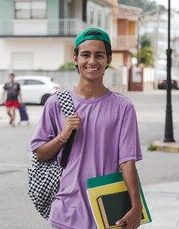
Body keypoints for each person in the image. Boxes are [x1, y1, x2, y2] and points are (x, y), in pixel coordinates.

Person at [31, 28, 143, 229]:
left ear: (108, 60)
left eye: (99, 55)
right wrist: (62, 136)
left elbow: (127, 162)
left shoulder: (123, 108)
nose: (92, 61)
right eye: (85, 55)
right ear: (75, 58)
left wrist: (137, 206)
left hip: (107, 213)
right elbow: (40, 154)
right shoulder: (55, 103)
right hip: (65, 213)